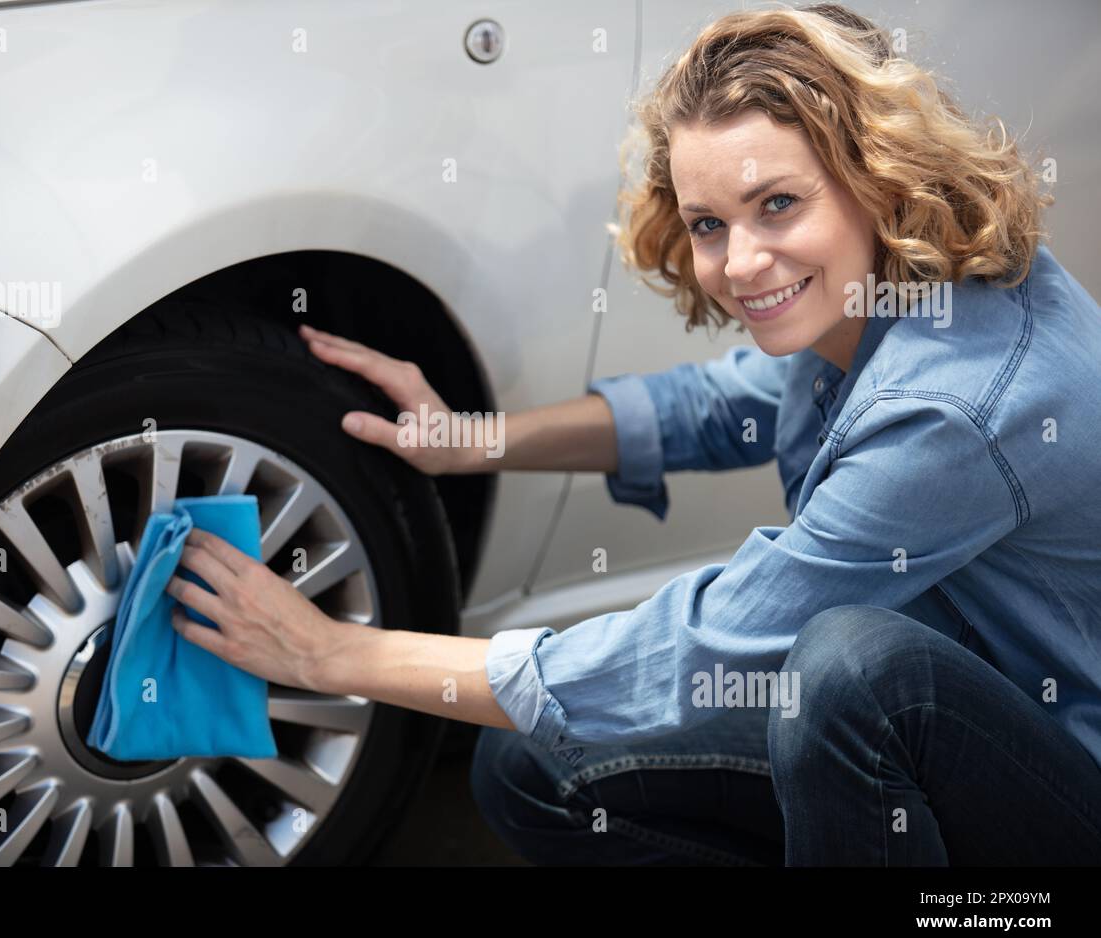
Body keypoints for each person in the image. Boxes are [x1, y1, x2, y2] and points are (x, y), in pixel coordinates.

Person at [163, 3, 1101, 864]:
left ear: (876, 175)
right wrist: (475, 439)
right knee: (538, 767)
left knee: (851, 672)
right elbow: (722, 404)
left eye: (779, 204)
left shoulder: (954, 406)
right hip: (965, 728)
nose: (739, 263)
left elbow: (716, 642)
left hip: (1067, 785)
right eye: (707, 222)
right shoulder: (899, 282)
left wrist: (330, 655)